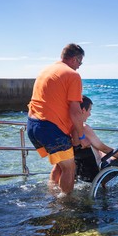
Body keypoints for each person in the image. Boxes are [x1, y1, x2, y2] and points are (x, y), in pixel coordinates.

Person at [27, 43, 87, 195]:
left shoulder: (46, 70)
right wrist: (81, 136)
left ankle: (52, 196)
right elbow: (75, 111)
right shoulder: (72, 75)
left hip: (33, 125)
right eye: (80, 62)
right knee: (69, 168)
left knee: (60, 164)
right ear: (74, 59)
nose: (79, 66)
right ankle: (66, 206)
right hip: (50, 128)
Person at [73, 95, 118, 182]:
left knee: (105, 152)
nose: (90, 114)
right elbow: (103, 148)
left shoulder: (70, 129)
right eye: (90, 110)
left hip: (84, 172)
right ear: (83, 110)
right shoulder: (85, 128)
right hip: (100, 170)